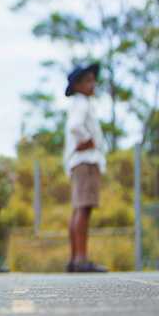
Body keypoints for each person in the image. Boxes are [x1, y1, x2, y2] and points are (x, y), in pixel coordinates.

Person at [63, 63, 108, 273]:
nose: (93, 84)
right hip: (86, 161)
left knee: (78, 209)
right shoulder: (82, 103)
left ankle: (75, 259)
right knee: (84, 209)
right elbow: (75, 126)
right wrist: (88, 140)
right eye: (88, 80)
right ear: (78, 85)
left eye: (93, 79)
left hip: (79, 162)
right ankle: (81, 259)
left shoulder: (78, 102)